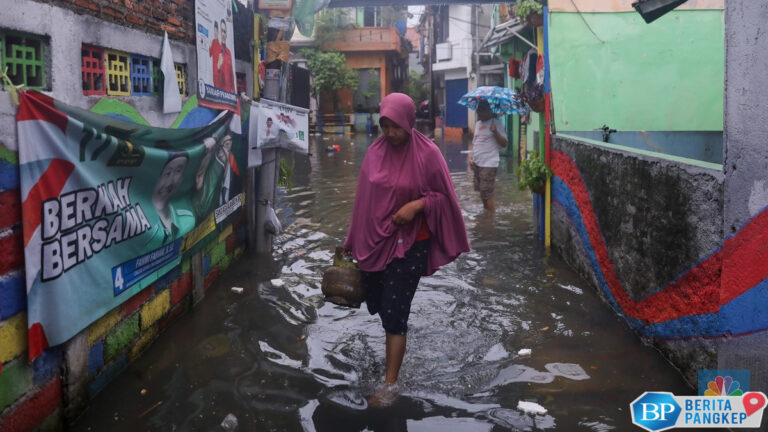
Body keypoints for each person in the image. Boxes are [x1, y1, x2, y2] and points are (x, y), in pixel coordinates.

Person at [343, 93, 470, 407]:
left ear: (408, 123)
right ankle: (391, 361)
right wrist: (350, 241)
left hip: (412, 244)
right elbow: (363, 203)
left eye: (395, 126)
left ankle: (390, 384)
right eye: (384, 125)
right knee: (379, 305)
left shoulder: (428, 155)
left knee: (395, 315)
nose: (389, 133)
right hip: (376, 242)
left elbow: (445, 198)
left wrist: (416, 206)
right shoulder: (375, 152)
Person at [146, 150, 195, 248]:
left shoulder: (188, 220)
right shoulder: (141, 230)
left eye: (178, 171)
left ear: (182, 179)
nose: (169, 183)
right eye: (167, 173)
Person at [468, 100, 508, 212]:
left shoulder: (496, 123)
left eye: (481, 110)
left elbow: (504, 143)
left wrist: (495, 132)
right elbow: (475, 142)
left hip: (489, 163)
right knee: (482, 191)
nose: (479, 113)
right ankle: (486, 214)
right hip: (477, 163)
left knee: (487, 193)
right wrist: (471, 157)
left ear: (488, 111)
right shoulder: (477, 124)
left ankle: (491, 220)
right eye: (478, 111)